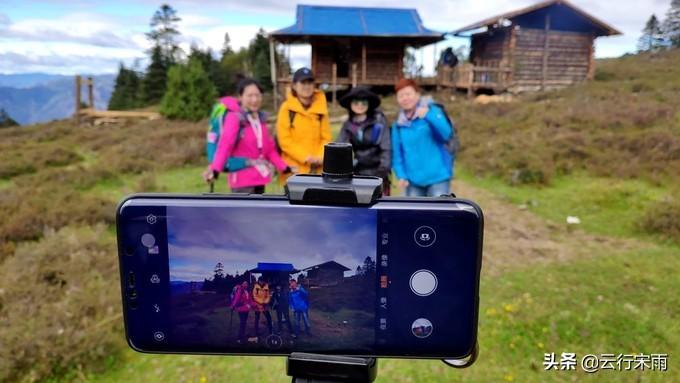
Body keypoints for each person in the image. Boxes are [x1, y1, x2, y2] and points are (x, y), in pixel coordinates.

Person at [204, 78, 291, 193]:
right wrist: (215, 170)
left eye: (257, 95)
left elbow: (269, 149)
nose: (254, 100)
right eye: (249, 96)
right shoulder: (234, 118)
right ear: (240, 97)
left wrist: (284, 168)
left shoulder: (260, 120)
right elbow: (225, 145)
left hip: (259, 180)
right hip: (242, 183)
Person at [391, 78, 454, 197]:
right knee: (414, 215)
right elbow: (397, 155)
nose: (405, 98)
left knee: (438, 214)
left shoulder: (433, 111)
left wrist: (428, 116)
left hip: (438, 178)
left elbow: (446, 133)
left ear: (417, 95)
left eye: (408, 94)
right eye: (401, 96)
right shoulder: (398, 126)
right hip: (413, 181)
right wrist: (401, 175)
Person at [276, 67, 332, 182]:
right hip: (294, 171)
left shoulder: (321, 108)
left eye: (310, 82)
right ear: (294, 86)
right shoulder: (286, 108)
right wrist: (305, 157)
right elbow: (285, 141)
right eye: (303, 82)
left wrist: (320, 157)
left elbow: (326, 138)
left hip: (318, 170)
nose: (307, 86)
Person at [336, 86, 391, 195]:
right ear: (350, 104)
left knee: (378, 209)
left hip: (379, 173)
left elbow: (386, 148)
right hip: (357, 173)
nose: (360, 105)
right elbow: (340, 149)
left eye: (363, 102)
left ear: (368, 103)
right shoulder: (347, 126)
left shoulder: (379, 121)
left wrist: (381, 173)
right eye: (356, 102)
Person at [229, 280, 252, 344]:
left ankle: (242, 336)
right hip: (241, 309)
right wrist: (233, 306)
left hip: (246, 309)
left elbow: (249, 300)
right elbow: (236, 298)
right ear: (242, 284)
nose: (246, 285)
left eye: (247, 284)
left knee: (244, 323)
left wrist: (251, 305)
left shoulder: (247, 291)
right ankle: (239, 338)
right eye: (245, 284)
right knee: (242, 323)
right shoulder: (240, 290)